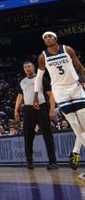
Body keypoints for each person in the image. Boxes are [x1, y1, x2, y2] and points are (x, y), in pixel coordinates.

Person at [33, 31, 85, 174]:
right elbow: (38, 78)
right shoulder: (42, 57)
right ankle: (75, 152)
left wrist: (84, 80)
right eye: (45, 38)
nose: (48, 39)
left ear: (55, 38)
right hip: (60, 91)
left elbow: (80, 66)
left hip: (75, 87)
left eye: (50, 36)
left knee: (83, 126)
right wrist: (36, 95)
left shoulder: (67, 49)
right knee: (75, 126)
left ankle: (75, 152)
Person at [15, 60, 56, 169]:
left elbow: (50, 95)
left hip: (42, 108)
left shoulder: (41, 78)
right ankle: (29, 162)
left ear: (33, 67)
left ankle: (53, 162)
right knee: (28, 137)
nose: (27, 68)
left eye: (28, 66)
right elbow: (20, 97)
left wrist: (52, 109)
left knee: (47, 135)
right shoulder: (22, 82)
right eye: (24, 67)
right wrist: (16, 110)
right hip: (28, 110)